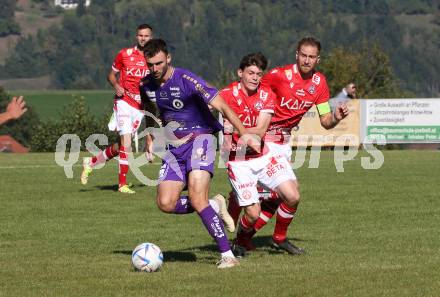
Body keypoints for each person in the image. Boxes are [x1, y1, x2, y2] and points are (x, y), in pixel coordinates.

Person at [140, 39, 259, 268]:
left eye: (158, 63)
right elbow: (149, 110)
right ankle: (213, 206)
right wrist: (149, 135)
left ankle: (227, 255)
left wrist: (244, 134)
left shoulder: (187, 80)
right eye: (150, 64)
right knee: (165, 203)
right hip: (174, 147)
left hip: (200, 139)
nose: (154, 69)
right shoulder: (146, 85)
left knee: (196, 198)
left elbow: (223, 106)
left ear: (168, 59)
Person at [228, 36, 349, 255]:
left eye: (311, 57)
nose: (306, 60)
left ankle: (249, 236)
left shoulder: (319, 83)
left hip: (285, 142)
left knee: (283, 197)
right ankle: (258, 230)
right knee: (285, 195)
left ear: (318, 60)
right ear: (297, 55)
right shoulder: (278, 76)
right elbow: (250, 90)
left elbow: (325, 121)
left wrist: (336, 117)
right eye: (303, 55)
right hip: (265, 141)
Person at [219, 52, 306, 258]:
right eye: (250, 73)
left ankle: (276, 238)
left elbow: (260, 130)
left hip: (263, 155)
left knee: (293, 195)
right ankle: (239, 239)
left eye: (259, 74)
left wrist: (236, 130)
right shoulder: (226, 94)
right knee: (252, 213)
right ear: (240, 73)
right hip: (238, 161)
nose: (255, 77)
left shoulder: (267, 94)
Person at [81, 24, 153, 194]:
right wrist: (115, 85)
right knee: (127, 144)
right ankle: (122, 185)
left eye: (146, 36)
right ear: (137, 36)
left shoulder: (153, 59)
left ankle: (91, 163)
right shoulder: (125, 54)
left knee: (121, 145)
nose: (143, 38)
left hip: (139, 106)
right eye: (140, 35)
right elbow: (110, 74)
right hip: (123, 101)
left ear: (151, 37)